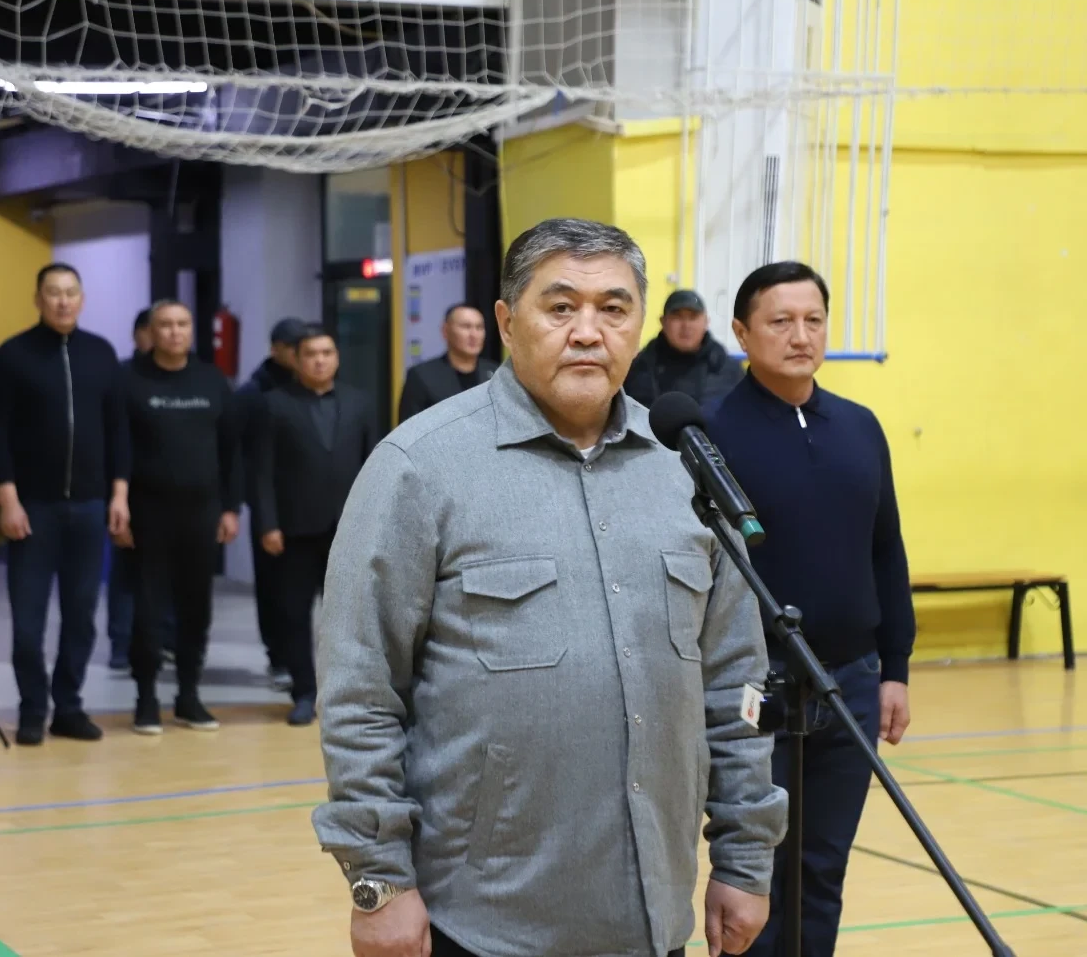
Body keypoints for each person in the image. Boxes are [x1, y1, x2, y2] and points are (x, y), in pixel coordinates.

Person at [314, 217, 787, 957]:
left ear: (639, 325)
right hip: (483, 922)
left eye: (614, 309)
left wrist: (745, 857)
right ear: (508, 323)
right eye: (560, 307)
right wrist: (378, 879)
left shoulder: (684, 471)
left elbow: (736, 685)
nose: (588, 332)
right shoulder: (418, 468)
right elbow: (360, 692)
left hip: (653, 916)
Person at [704, 261, 914, 957]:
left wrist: (895, 668)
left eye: (814, 320)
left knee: (823, 870)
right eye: (781, 321)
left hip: (851, 681)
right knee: (755, 872)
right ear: (742, 334)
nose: (801, 336)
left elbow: (886, 550)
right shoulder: (710, 435)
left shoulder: (861, 427)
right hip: (754, 689)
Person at [0, 263, 130, 746]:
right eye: (53, 292)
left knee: (81, 618)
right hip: (33, 509)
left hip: (89, 508)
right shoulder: (13, 355)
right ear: (38, 299)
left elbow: (118, 430)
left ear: (82, 299)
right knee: (28, 622)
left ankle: (69, 707)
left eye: (71, 292)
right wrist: (8, 499)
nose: (63, 301)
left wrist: (119, 495)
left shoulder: (101, 354)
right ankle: (32, 708)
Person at [119, 301, 242, 735]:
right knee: (148, 608)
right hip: (147, 512)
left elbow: (231, 449)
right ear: (151, 332)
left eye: (182, 324)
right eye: (166, 325)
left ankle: (189, 695)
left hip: (201, 512)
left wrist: (231, 507)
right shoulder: (129, 379)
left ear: (192, 330)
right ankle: (146, 698)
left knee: (196, 607)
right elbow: (119, 447)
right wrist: (119, 502)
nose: (175, 332)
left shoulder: (212, 380)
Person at [250, 325, 377, 727]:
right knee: (294, 614)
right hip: (294, 528)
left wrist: (375, 520)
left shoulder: (360, 403)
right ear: (296, 360)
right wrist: (267, 523)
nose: (320, 360)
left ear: (337, 357)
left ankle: (346, 692)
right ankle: (304, 692)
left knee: (349, 615)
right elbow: (261, 471)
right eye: (311, 354)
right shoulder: (273, 404)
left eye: (327, 353)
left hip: (349, 527)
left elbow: (376, 465)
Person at [234, 318, 305, 691]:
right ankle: (277, 656)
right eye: (294, 348)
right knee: (273, 586)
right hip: (270, 503)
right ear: (276, 349)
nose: (301, 355)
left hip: (307, 503)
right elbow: (241, 452)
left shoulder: (308, 387)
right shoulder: (253, 394)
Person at [107, 307, 157, 672]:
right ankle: (121, 644)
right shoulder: (121, 376)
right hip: (129, 488)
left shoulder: (189, 376)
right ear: (137, 335)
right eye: (152, 330)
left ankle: (164, 640)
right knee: (126, 571)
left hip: (173, 492)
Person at [623, 289, 743, 408]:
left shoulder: (729, 370)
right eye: (677, 317)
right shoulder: (638, 368)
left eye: (693, 317)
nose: (686, 325)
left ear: (706, 322)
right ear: (663, 322)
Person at [396, 303, 497, 423]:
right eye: (466, 327)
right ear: (445, 331)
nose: (474, 335)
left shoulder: (496, 374)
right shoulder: (422, 376)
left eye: (479, 327)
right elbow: (408, 428)